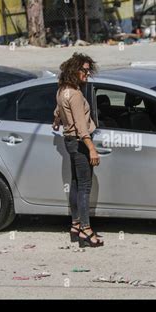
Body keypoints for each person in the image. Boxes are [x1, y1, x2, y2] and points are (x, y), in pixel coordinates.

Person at [53, 53, 103, 248]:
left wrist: (57, 120)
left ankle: (75, 225)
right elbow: (82, 126)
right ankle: (86, 230)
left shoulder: (62, 90)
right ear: (74, 70)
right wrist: (92, 149)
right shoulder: (75, 94)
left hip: (69, 141)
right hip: (80, 142)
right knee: (84, 187)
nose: (87, 73)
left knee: (75, 183)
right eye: (84, 70)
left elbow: (58, 110)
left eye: (89, 70)